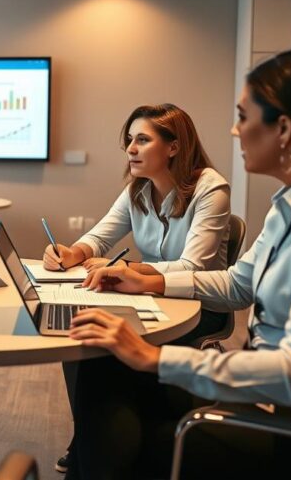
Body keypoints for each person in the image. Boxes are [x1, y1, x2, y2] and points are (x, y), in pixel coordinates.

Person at [64, 48, 291, 479]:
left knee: (130, 429)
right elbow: (239, 284)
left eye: (243, 117)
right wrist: (150, 284)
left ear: (284, 128)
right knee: (103, 364)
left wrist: (153, 359)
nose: (235, 131)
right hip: (274, 405)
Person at [42, 103, 231, 473]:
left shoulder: (211, 189)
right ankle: (92, 437)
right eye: (129, 140)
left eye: (142, 140)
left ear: (173, 147)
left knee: (105, 354)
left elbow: (193, 268)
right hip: (150, 298)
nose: (130, 148)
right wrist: (71, 252)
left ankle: (96, 447)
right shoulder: (137, 190)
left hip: (199, 307)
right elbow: (99, 237)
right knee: (80, 331)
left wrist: (129, 268)